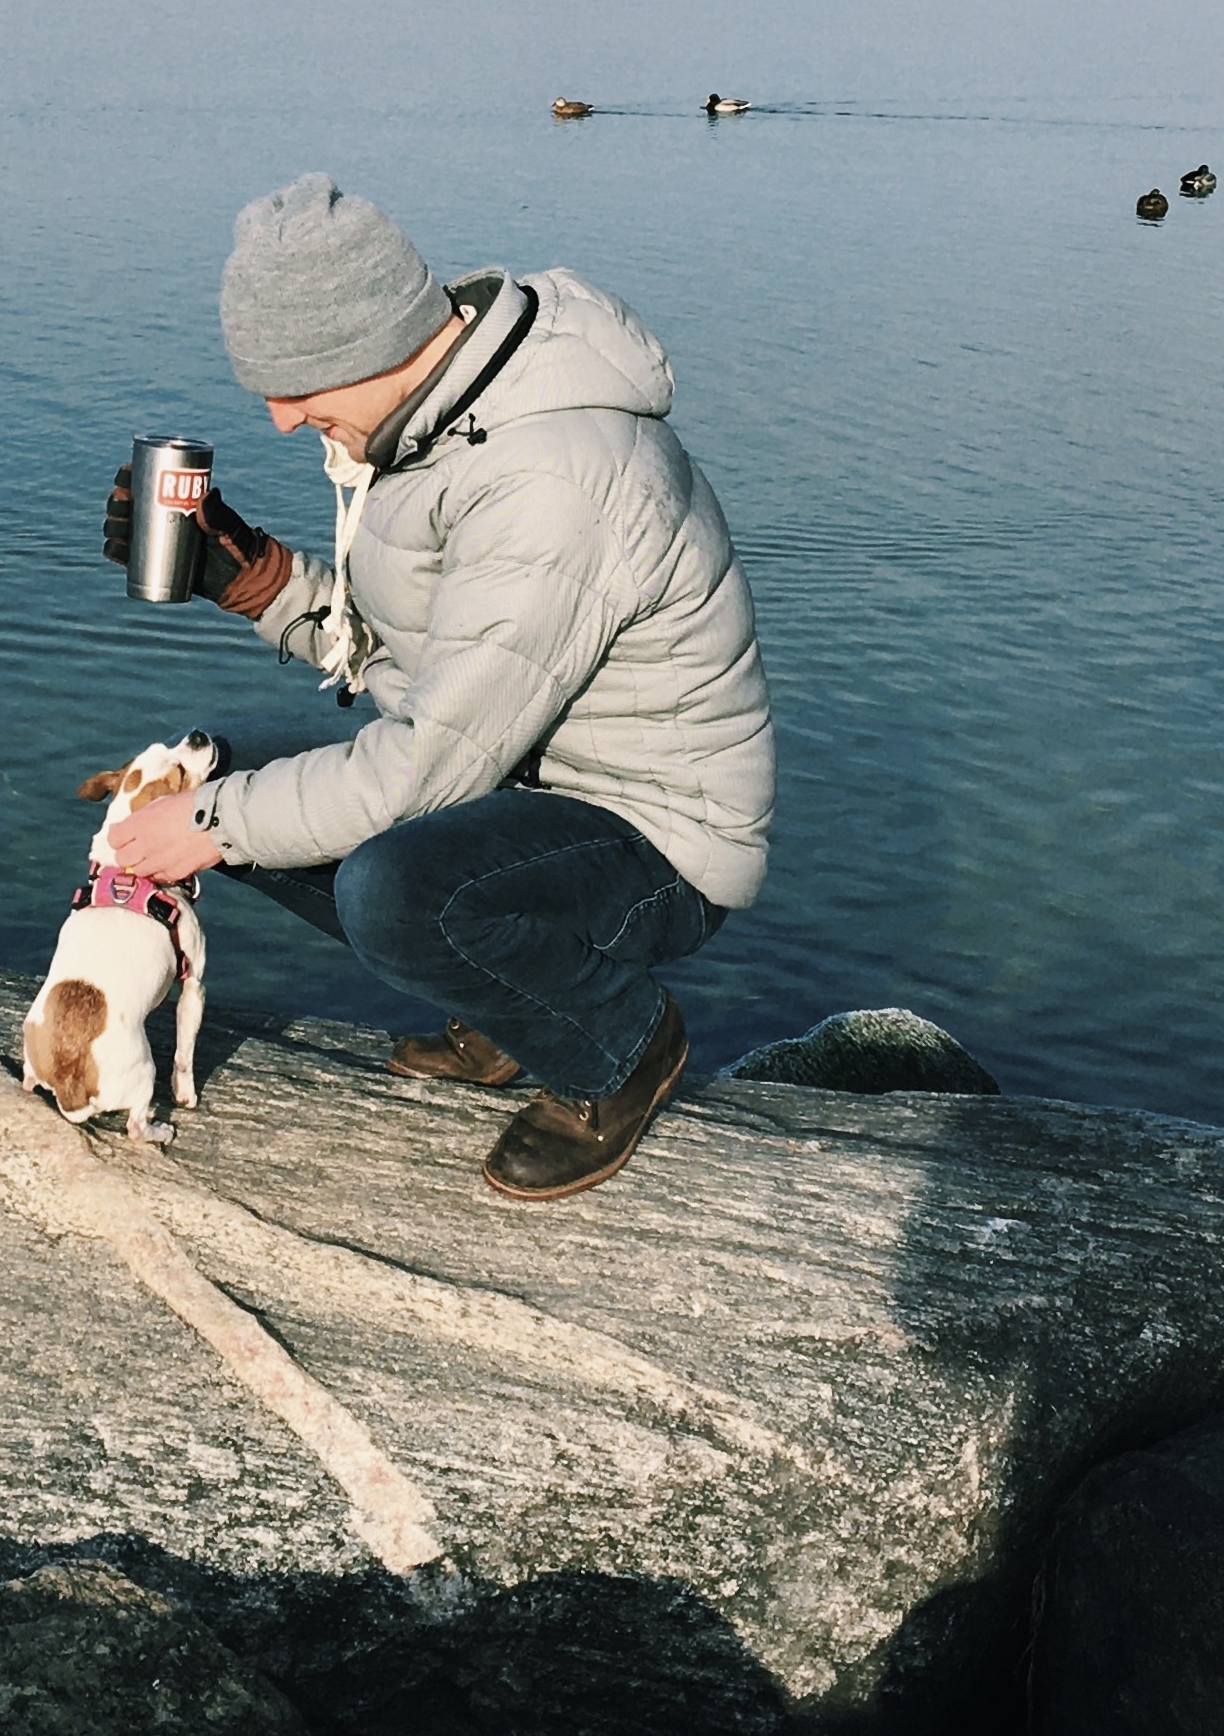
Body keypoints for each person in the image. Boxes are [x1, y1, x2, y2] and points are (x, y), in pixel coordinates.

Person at [99, 172, 772, 1202]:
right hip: (523, 787)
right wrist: (259, 583)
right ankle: (511, 1010)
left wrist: (215, 824)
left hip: (656, 840)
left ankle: (619, 1044)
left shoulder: (552, 478)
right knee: (218, 766)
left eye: (297, 385)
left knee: (391, 887)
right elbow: (422, 665)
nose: (281, 419)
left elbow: (430, 761)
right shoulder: (446, 420)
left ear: (369, 342)